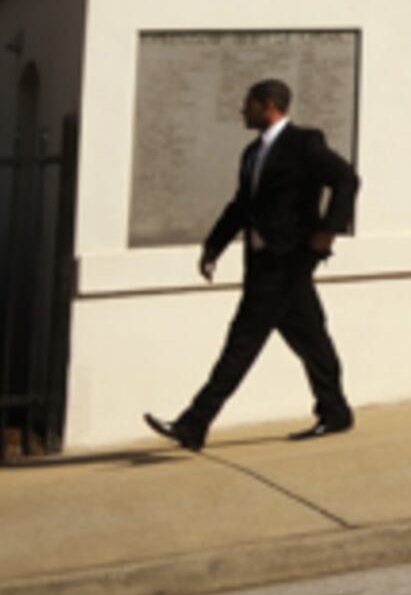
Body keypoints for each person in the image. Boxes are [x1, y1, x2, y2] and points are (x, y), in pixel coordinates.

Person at [147, 78, 359, 450]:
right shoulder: (251, 153)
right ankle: (336, 411)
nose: (242, 111)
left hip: (288, 260)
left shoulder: (304, 143)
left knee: (242, 342)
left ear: (268, 106)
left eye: (248, 104)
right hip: (262, 262)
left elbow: (346, 179)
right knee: (311, 339)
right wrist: (214, 246)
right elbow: (241, 206)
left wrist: (328, 231)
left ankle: (194, 423)